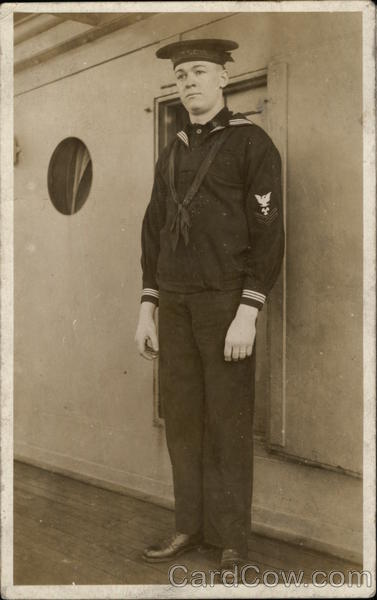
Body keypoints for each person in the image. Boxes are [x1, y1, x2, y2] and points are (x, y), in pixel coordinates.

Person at [135, 38, 284, 574]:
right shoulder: (172, 149)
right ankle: (189, 527)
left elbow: (268, 236)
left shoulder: (252, 144)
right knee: (183, 420)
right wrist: (147, 307)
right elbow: (153, 230)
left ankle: (232, 542)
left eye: (199, 72)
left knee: (227, 422)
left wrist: (249, 310)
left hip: (226, 308)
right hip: (174, 305)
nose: (189, 82)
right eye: (181, 76)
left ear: (224, 77)